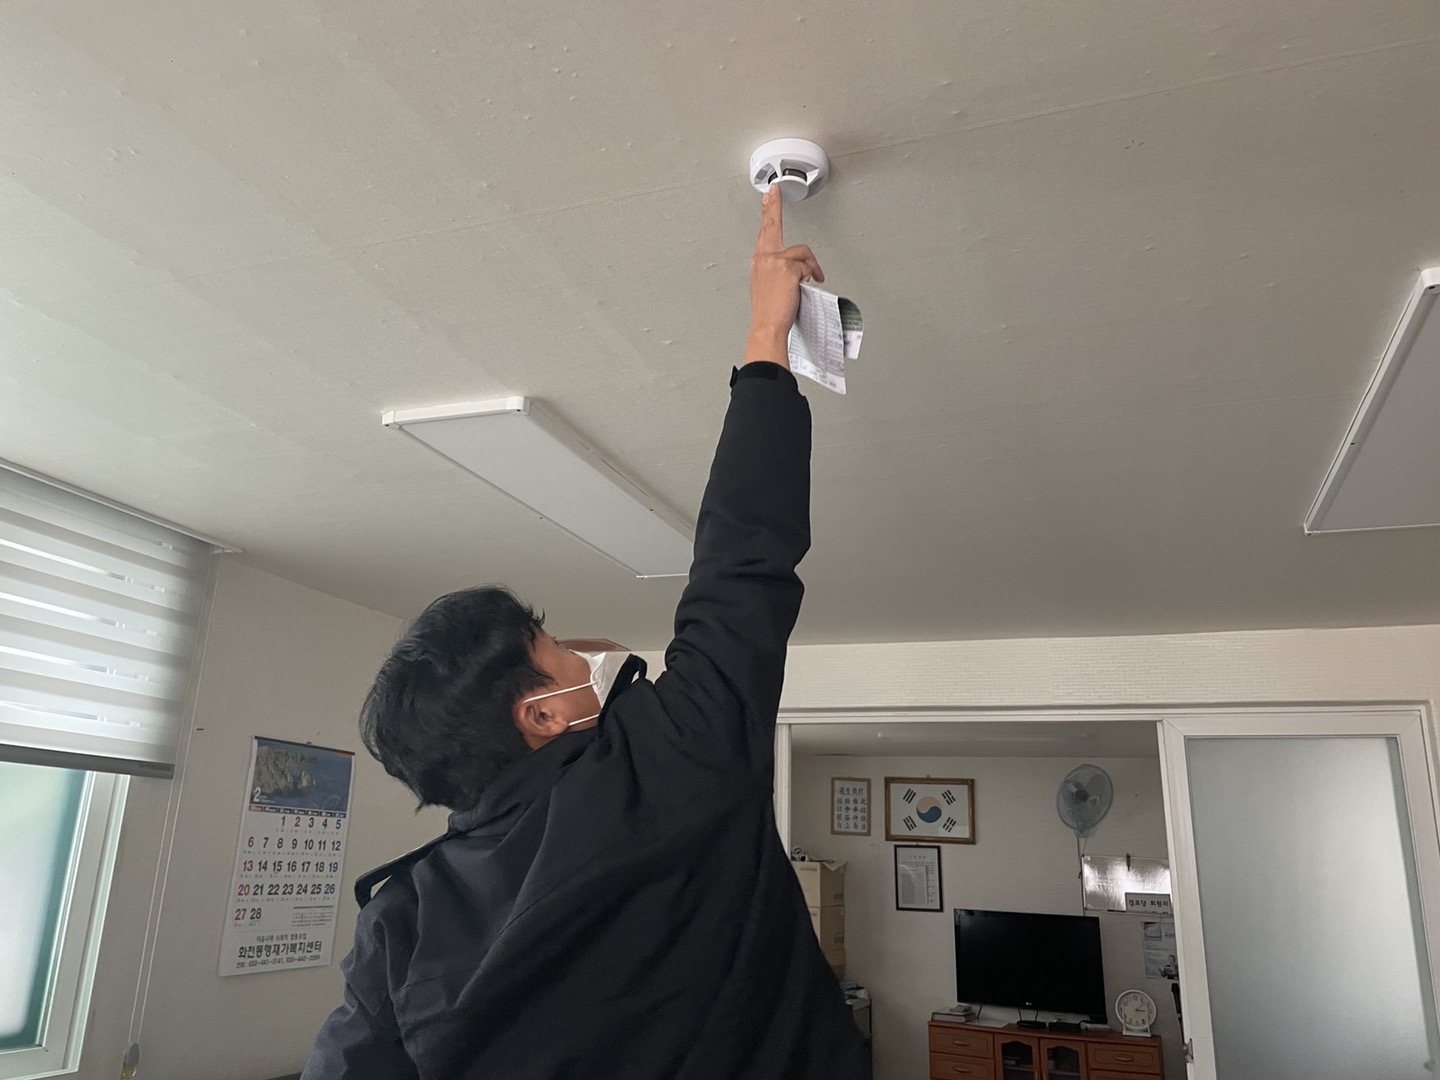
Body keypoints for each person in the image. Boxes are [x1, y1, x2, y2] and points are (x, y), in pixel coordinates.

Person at [300, 185, 870, 1079]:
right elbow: (742, 563)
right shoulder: (667, 762)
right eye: (554, 647)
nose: (582, 651)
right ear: (541, 714)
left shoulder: (402, 922)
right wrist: (766, 337)